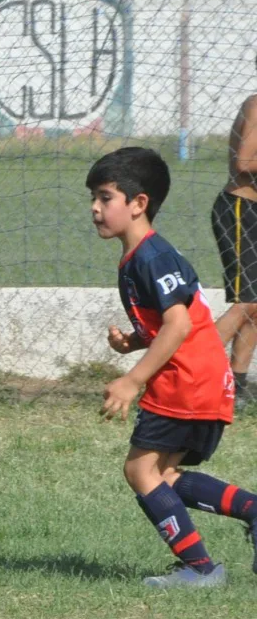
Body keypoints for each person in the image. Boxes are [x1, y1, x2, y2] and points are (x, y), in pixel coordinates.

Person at [90, 146, 257, 589]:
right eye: (93, 197)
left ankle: (200, 569)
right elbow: (176, 320)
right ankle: (253, 510)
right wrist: (134, 341)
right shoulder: (144, 255)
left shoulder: (152, 257)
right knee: (162, 476)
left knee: (139, 471)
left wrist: (132, 380)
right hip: (206, 379)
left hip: (186, 381)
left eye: (106, 197)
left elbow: (179, 324)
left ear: (138, 203)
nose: (95, 208)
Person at [210, 84, 257, 410]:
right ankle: (183, 371)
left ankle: (236, 389)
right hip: (240, 210)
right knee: (246, 303)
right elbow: (244, 161)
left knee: (256, 306)